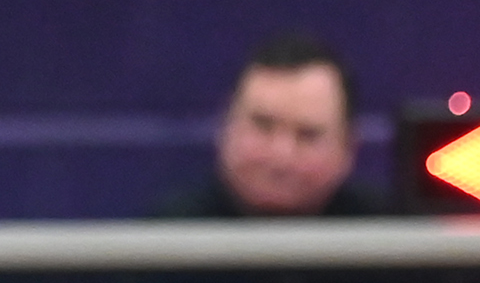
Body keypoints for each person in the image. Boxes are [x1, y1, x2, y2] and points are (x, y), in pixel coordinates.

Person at [155, 30, 384, 218]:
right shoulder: (158, 249)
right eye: (263, 126)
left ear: (349, 148)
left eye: (307, 135)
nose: (281, 157)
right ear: (225, 125)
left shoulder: (393, 249)